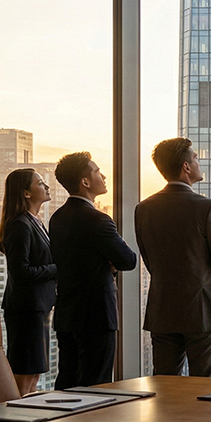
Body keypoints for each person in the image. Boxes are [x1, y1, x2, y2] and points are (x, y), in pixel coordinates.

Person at [135, 137, 211, 377]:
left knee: (165, 384)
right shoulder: (207, 207)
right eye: (196, 158)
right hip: (203, 310)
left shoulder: (144, 208)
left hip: (162, 309)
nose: (199, 163)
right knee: (205, 385)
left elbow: (149, 259)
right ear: (186, 167)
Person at [49, 152, 138, 389]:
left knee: (67, 382)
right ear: (85, 182)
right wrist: (109, 263)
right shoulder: (98, 220)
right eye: (98, 172)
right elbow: (128, 260)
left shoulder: (57, 218)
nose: (104, 176)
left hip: (67, 313)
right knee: (96, 385)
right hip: (97, 315)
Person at [0, 168, 57, 395]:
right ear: (26, 193)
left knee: (34, 373)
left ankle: (26, 413)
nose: (46, 186)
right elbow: (20, 272)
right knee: (25, 374)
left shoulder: (35, 222)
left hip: (37, 308)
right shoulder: (20, 225)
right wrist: (57, 269)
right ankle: (18, 414)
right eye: (40, 183)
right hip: (25, 310)